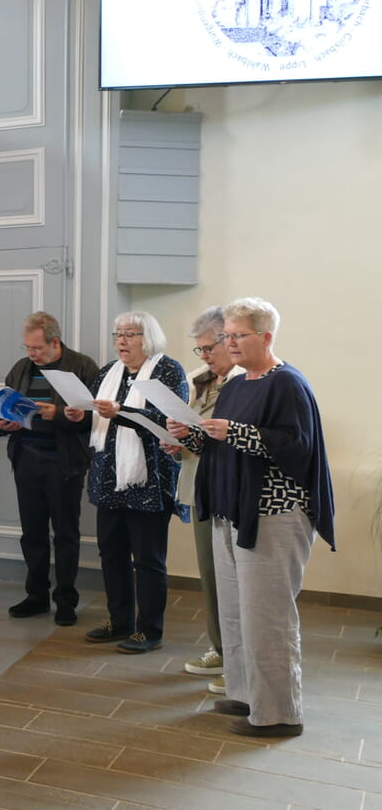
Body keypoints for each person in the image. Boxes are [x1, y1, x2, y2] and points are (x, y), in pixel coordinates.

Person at [171, 297, 333, 738]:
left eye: (238, 335)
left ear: (266, 336)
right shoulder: (239, 384)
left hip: (273, 513)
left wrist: (236, 432)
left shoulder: (288, 383)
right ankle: (245, 695)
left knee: (269, 617)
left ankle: (279, 714)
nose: (230, 343)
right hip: (232, 509)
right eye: (227, 335)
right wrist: (194, 437)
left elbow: (298, 447)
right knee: (237, 614)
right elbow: (226, 446)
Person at [63, 311, 186, 653]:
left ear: (148, 337)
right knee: (112, 555)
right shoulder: (108, 372)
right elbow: (97, 414)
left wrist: (122, 412)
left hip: (149, 480)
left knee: (148, 560)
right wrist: (79, 414)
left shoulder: (167, 370)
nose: (121, 341)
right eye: (118, 334)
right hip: (107, 478)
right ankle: (120, 621)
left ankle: (150, 630)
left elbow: (169, 420)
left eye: (130, 334)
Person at [0, 312, 98, 627]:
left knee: (65, 534)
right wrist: (2, 423)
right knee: (32, 533)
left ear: (55, 342)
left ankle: (66, 600)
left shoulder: (82, 366)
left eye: (37, 348)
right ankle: (36, 595)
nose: (31, 354)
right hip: (27, 458)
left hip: (64, 462)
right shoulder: (22, 368)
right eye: (27, 347)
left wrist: (61, 415)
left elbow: (96, 417)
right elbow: (2, 406)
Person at [163, 306, 243, 690]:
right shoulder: (204, 382)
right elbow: (198, 436)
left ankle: (240, 660)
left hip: (228, 492)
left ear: (231, 340)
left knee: (234, 579)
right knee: (211, 577)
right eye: (200, 350)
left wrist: (194, 437)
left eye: (209, 347)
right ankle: (221, 649)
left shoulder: (246, 384)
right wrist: (177, 442)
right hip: (199, 487)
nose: (205, 356)